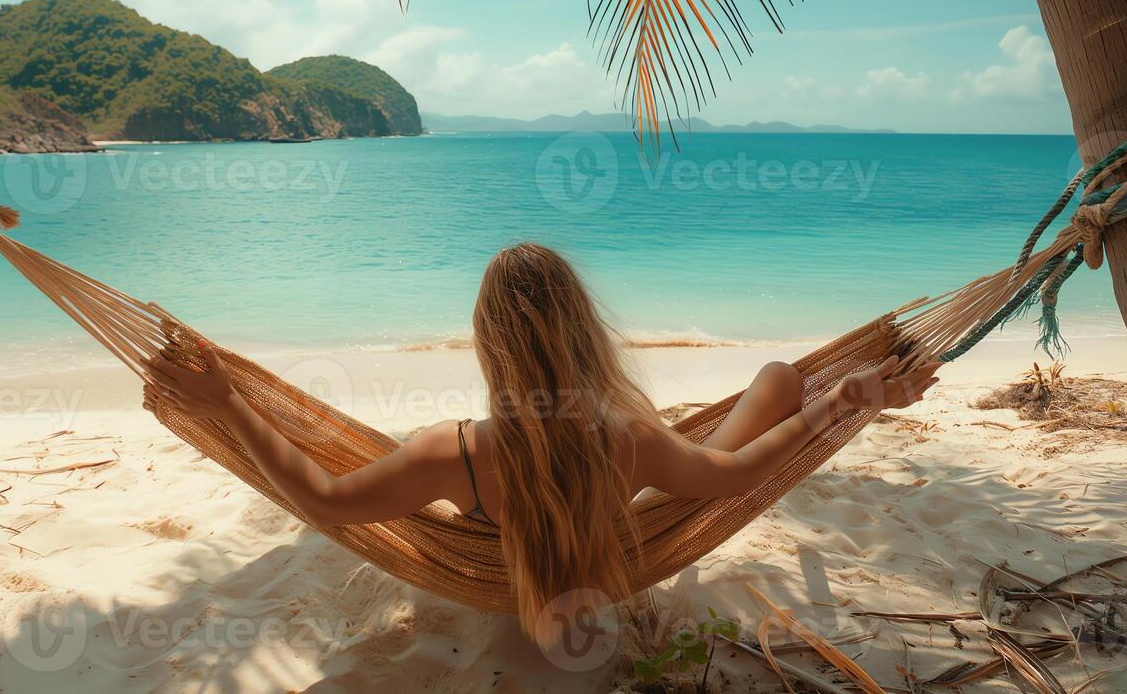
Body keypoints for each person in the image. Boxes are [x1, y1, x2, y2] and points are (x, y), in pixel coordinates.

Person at [144, 242, 939, 642]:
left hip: (520, 572)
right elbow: (731, 481)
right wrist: (833, 407)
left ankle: (817, 390)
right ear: (584, 335)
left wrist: (229, 408)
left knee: (768, 385)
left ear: (489, 347)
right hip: (621, 534)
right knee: (774, 384)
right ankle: (837, 387)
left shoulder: (447, 454)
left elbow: (321, 495)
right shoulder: (624, 437)